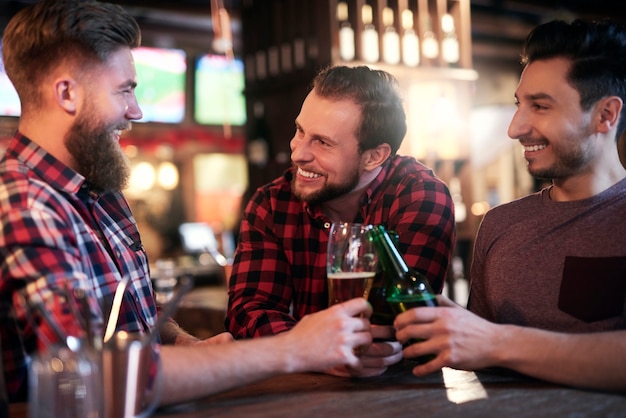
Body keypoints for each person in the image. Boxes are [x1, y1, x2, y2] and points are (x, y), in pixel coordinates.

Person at [0, 0, 376, 406]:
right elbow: (98, 376)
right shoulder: (24, 203)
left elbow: (123, 307)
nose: (136, 111)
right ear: (67, 93)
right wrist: (296, 348)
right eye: (124, 90)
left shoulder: (98, 190)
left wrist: (182, 342)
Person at [393, 19, 626, 392]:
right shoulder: (500, 224)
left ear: (605, 115)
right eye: (520, 104)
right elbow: (478, 360)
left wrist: (496, 342)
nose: (515, 127)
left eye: (540, 106)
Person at [226, 65, 456, 377]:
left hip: (402, 391)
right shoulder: (271, 203)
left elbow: (404, 320)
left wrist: (328, 349)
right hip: (301, 391)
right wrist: (310, 351)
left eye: (322, 142)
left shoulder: (419, 196)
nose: (298, 154)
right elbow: (248, 311)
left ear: (374, 156)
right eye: (300, 132)